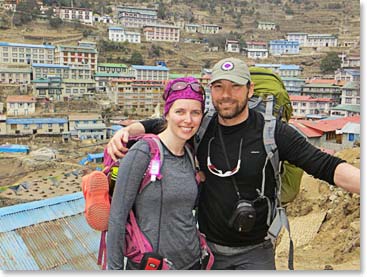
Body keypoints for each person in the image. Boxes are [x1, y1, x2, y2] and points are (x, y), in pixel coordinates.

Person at [106, 58, 360, 270]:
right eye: (218, 87)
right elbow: (170, 120)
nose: (226, 95)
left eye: (235, 86)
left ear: (249, 90)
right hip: (209, 255)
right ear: (211, 92)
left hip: (256, 253)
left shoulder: (273, 133)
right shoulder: (201, 128)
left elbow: (327, 166)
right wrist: (129, 131)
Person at [107, 77, 206, 270]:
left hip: (193, 263)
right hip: (151, 266)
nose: (188, 120)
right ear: (166, 114)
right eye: (180, 112)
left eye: (195, 112)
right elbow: (117, 218)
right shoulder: (143, 152)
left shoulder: (189, 153)